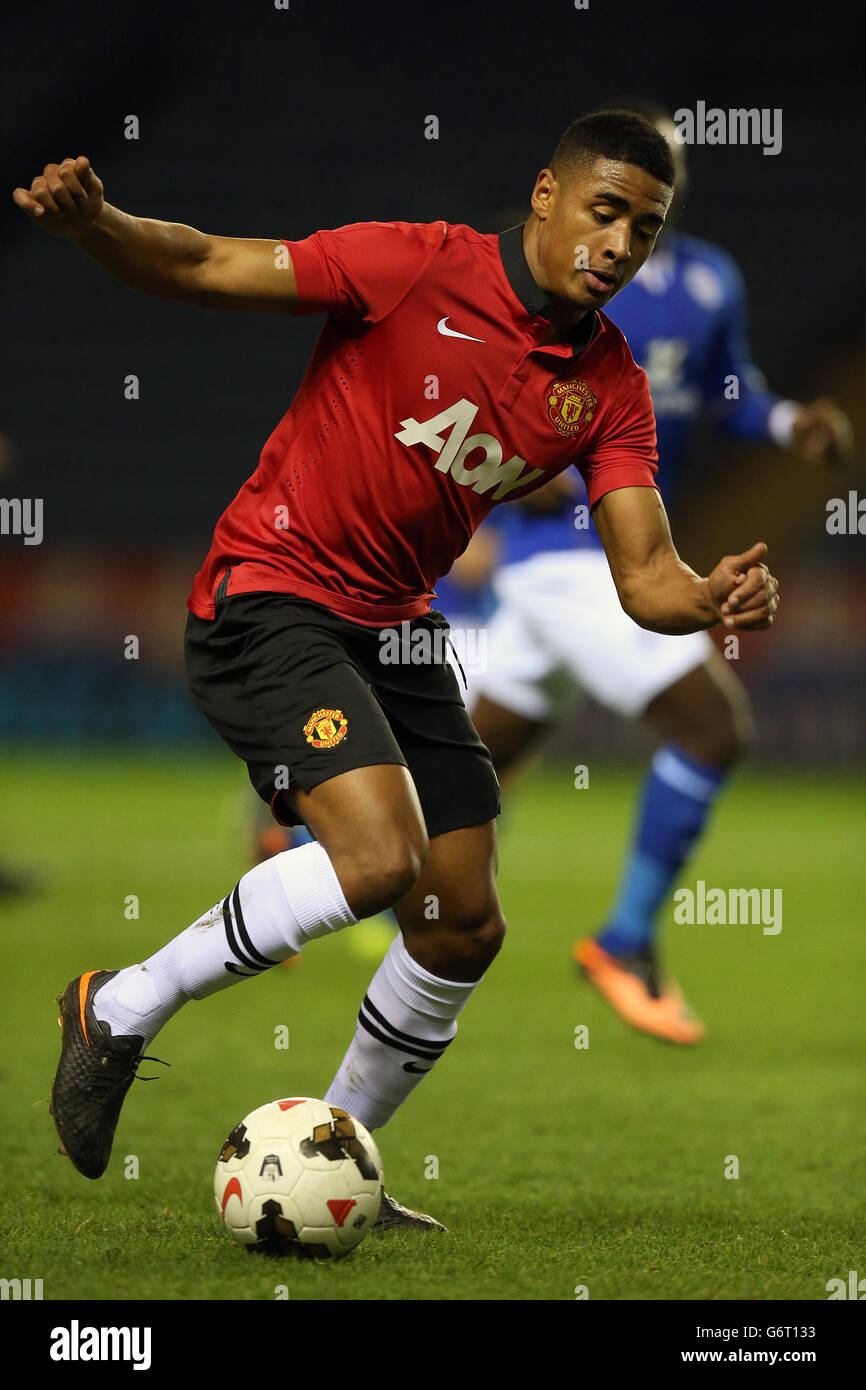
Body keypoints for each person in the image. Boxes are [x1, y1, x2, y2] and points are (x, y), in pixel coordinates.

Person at [13, 111, 779, 1233]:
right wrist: (99, 225)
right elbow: (208, 260)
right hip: (266, 595)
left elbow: (644, 577)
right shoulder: (415, 263)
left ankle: (333, 1156)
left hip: (394, 628)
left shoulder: (606, 383)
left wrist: (707, 598)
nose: (619, 244)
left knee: (461, 919)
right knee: (376, 857)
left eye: (645, 228)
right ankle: (118, 1007)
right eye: (604, 211)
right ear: (545, 195)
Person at [466, 100, 851, 1046]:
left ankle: (307, 836)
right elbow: (486, 390)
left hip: (617, 556)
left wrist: (787, 422)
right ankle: (626, 941)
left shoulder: (710, 283)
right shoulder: (569, 277)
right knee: (713, 727)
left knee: (478, 759)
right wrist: (506, 485)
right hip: (570, 563)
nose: (625, 230)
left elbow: (729, 394)